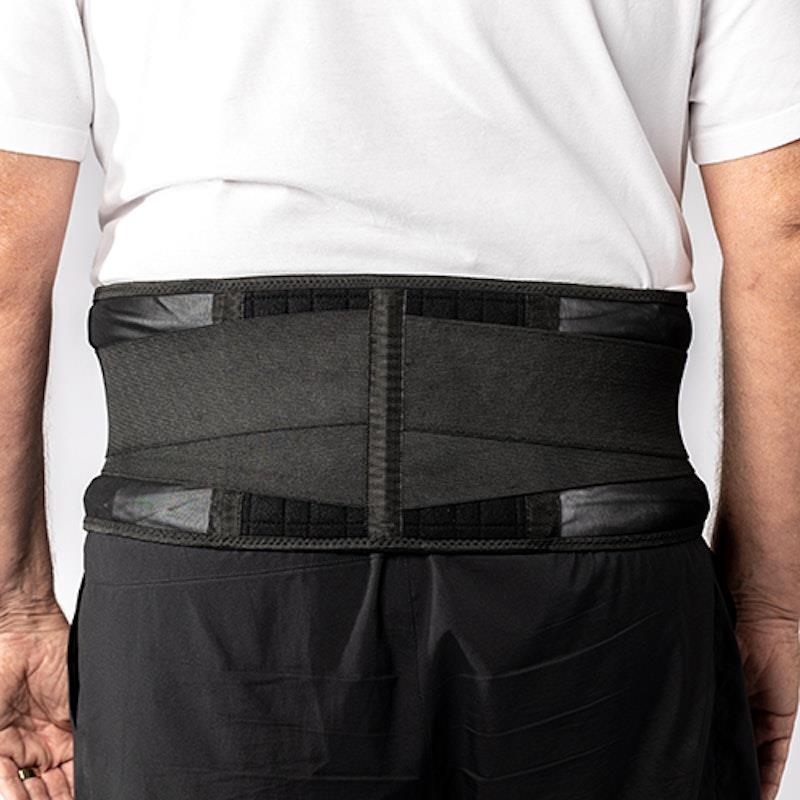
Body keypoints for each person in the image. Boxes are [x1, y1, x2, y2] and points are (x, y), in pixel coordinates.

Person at [1, 1, 799, 798]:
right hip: (599, 583)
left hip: (211, 584)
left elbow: (7, 232)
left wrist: (14, 608)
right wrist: (771, 604)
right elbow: (783, 231)